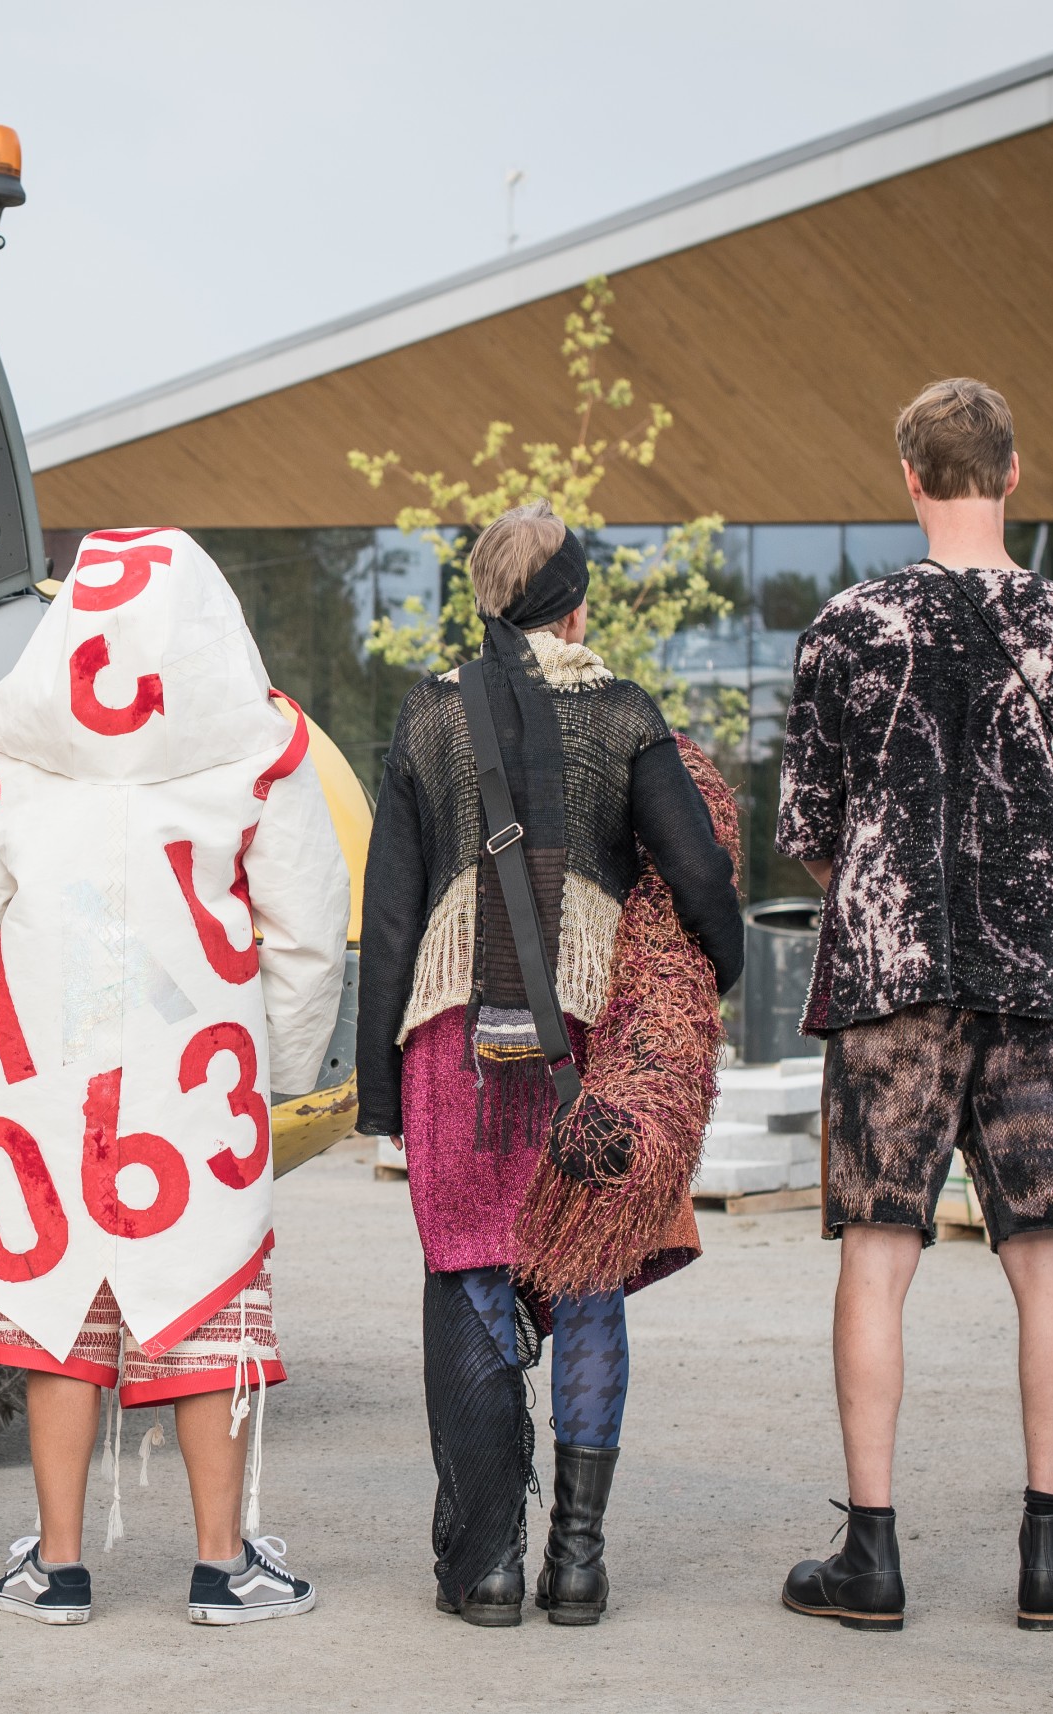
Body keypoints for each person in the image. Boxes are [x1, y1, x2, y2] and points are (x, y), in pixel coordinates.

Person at [775, 378, 1053, 1633]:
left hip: (892, 983)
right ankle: (1050, 1553)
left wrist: (889, 900)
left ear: (911, 479)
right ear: (1015, 474)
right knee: (1047, 1262)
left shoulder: (847, 626)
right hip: (1038, 980)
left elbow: (813, 833)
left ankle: (870, 1556)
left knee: (879, 1259)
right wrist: (1037, 906)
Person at [0, 527, 349, 1626]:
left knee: (56, 1305)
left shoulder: (0, 749)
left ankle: (59, 1566)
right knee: (205, 1294)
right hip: (197, 1070)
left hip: (45, 1066)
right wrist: (278, 1077)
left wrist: (9, 1042)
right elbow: (308, 935)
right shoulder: (260, 747)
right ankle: (223, 1564)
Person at [357, 503, 743, 1627]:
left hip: (450, 1038)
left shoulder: (430, 715)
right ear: (577, 603)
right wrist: (703, 983)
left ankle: (483, 1568)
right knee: (586, 1273)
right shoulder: (624, 712)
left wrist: (382, 1097)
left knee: (472, 1270)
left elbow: (388, 917)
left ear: (485, 604)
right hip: (586, 1035)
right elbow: (700, 872)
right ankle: (576, 1563)